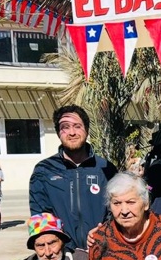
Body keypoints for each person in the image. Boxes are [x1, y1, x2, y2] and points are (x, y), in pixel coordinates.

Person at [29, 105, 118, 250]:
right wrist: (59, 243)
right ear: (58, 133)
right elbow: (39, 216)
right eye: (65, 127)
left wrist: (103, 232)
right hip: (62, 253)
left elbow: (116, 209)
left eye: (77, 126)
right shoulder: (44, 170)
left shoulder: (105, 168)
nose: (72, 132)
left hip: (101, 249)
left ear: (86, 130)